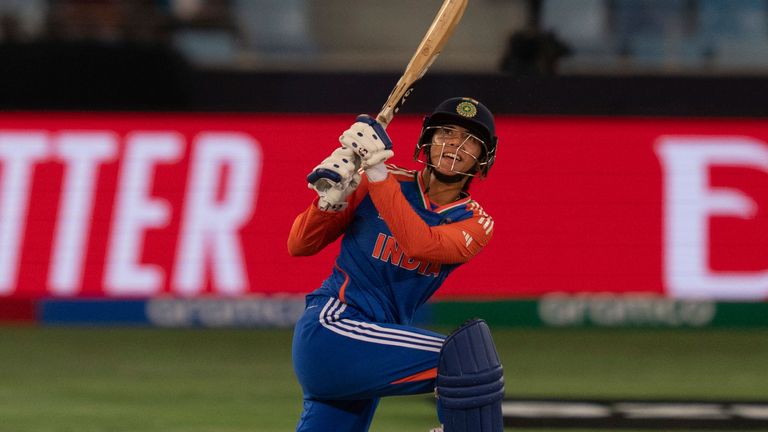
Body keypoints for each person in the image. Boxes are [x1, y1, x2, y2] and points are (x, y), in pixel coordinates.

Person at [287, 97, 505, 432]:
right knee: (467, 363)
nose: (453, 145)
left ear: (483, 157)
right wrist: (328, 200)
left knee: (467, 362)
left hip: (373, 344)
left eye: (469, 140)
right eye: (446, 132)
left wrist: (375, 172)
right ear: (428, 140)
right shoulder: (381, 181)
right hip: (333, 329)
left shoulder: (474, 223)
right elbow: (300, 245)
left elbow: (420, 243)